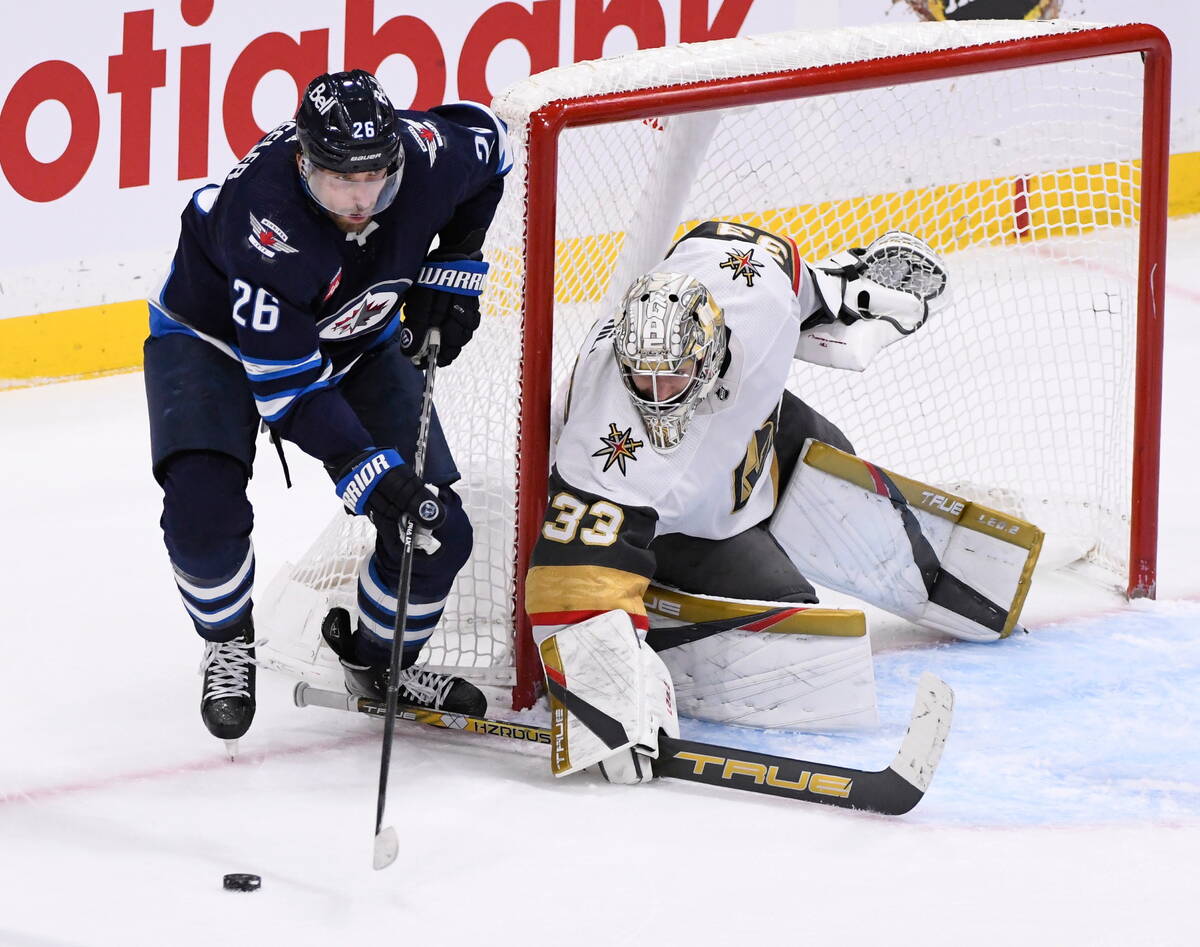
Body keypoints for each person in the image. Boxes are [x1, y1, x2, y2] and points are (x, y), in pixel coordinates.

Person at [144, 69, 510, 748]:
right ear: (303, 160)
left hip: (356, 337)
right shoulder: (267, 222)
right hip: (212, 340)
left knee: (436, 528)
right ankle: (228, 640)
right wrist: (368, 471)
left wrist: (456, 262)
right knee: (200, 516)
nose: (362, 197)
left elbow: (494, 144)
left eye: (376, 175)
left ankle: (377, 663)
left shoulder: (428, 153)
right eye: (342, 179)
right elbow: (286, 391)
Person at [526, 219, 954, 784]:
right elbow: (567, 582)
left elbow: (795, 278)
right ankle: (656, 599)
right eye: (641, 380)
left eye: (672, 379)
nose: (654, 400)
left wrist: (851, 294)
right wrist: (607, 708)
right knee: (789, 614)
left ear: (707, 350)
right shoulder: (607, 452)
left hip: (756, 441)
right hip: (682, 527)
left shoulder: (756, 292)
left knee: (840, 468)